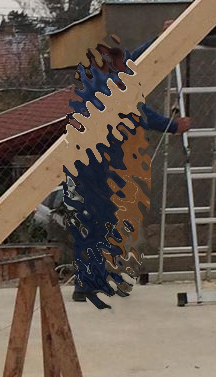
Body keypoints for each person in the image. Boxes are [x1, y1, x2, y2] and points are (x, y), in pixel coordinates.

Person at [63, 41, 191, 304]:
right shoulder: (109, 89)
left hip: (93, 162)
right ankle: (89, 282)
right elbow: (141, 114)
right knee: (101, 221)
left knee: (98, 221)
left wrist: (162, 37)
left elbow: (136, 59)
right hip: (98, 164)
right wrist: (173, 126)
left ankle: (93, 280)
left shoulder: (103, 81)